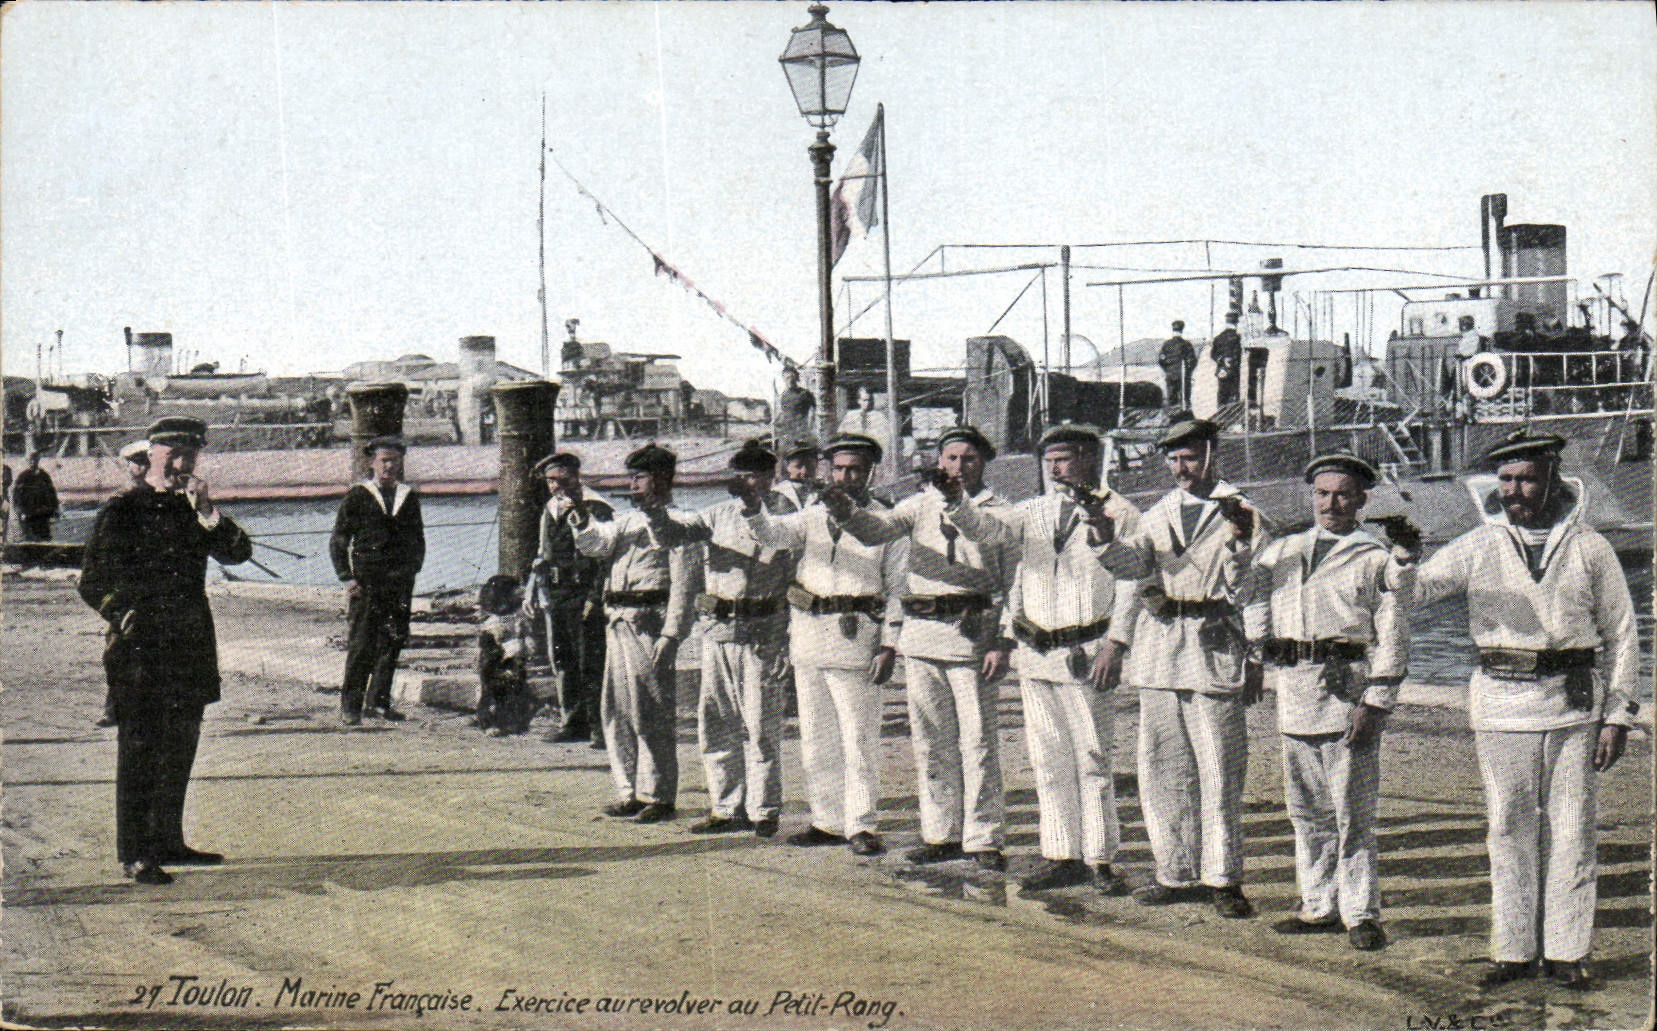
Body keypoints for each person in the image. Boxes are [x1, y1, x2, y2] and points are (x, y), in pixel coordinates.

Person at [1413, 431, 1639, 990]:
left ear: (1552, 480)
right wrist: (1398, 559)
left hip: (1571, 707)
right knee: (1507, 826)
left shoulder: (1590, 547)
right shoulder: (1479, 544)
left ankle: (1567, 951)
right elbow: (1416, 591)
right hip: (1499, 705)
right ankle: (1512, 950)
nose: (1515, 490)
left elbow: (1624, 634)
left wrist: (1618, 716)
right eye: (1507, 480)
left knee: (1572, 829)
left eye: (1527, 478)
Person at [945, 424, 1141, 895]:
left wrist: (1117, 644)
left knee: (1093, 756)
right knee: (1048, 757)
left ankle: (1099, 858)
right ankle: (1061, 853)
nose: (1054, 469)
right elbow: (989, 535)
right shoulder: (1029, 511)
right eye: (1048, 460)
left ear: (1091, 460)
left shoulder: (1121, 512)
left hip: (1087, 649)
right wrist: (955, 502)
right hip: (1037, 650)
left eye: (1064, 459)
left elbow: (1133, 583)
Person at [1244, 453, 1416, 952]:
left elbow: (1393, 634)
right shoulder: (1285, 551)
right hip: (1295, 690)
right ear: (1311, 497)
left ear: (1362, 499)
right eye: (1322, 493)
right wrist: (1258, 650)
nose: (1331, 503)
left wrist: (1377, 701)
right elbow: (1250, 594)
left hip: (1347, 693)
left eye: (1343, 494)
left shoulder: (1376, 559)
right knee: (1306, 811)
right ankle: (1317, 904)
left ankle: (1361, 912)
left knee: (1352, 813)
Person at [1098, 415, 1267, 918]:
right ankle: (1174, 871)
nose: (1180, 468)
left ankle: (1223, 877)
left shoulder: (1245, 511)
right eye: (1172, 459)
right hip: (1162, 649)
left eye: (1189, 457)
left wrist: (1257, 653)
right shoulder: (1158, 513)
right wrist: (1104, 539)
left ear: (1212, 454)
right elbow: (1133, 570)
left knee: (1219, 767)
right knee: (1161, 765)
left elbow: (1256, 588)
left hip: (1215, 646)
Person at [829, 425, 1018, 870]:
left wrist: (1003, 641)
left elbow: (1014, 581)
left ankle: (984, 837)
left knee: (978, 741)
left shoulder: (1003, 512)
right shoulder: (919, 505)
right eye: (950, 458)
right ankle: (941, 833)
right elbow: (875, 532)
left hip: (973, 633)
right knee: (932, 741)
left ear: (984, 462)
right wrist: (844, 511)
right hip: (922, 632)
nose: (957, 467)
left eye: (968, 459)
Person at [78, 417, 252, 885]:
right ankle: (135, 852)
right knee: (139, 751)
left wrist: (209, 512)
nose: (182, 465)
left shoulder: (191, 509)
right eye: (173, 455)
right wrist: (120, 611)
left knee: (181, 745)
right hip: (141, 649)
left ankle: (169, 841)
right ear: (150, 454)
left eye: (190, 457)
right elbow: (92, 580)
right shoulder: (122, 510)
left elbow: (237, 553)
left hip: (189, 646)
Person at [746, 432, 906, 855]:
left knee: (859, 736)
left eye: (855, 468)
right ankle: (827, 819)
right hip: (810, 633)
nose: (846, 476)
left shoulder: (887, 522)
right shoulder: (813, 514)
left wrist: (890, 644)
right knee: (817, 736)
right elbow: (774, 536)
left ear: (871, 472)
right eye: (838, 468)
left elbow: (897, 588)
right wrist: (751, 509)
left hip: (858, 636)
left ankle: (861, 824)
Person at [647, 440, 799, 837]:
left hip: (763, 633)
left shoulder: (788, 516)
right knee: (716, 723)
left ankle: (764, 810)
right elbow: (673, 537)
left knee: (761, 727)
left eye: (755, 474)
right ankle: (726, 806)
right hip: (718, 632)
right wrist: (654, 511)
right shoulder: (717, 513)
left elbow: (796, 582)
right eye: (741, 474)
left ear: (771, 476)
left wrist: (786, 640)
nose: (747, 481)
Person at [568, 443, 700, 824]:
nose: (632, 485)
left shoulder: (683, 521)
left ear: (661, 478)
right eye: (632, 477)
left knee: (651, 712)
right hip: (618, 622)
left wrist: (672, 635)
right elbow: (595, 544)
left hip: (650, 624)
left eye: (639, 477)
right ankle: (629, 790)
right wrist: (578, 511)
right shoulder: (627, 521)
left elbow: (686, 584)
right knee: (617, 710)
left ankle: (659, 794)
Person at [328, 436, 426, 726]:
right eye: (385, 460)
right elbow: (339, 540)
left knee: (393, 640)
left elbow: (418, 539)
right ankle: (352, 706)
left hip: (399, 583)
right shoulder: (358, 496)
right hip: (367, 582)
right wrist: (346, 577)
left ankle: (379, 702)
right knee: (362, 644)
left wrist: (412, 570)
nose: (390, 466)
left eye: (396, 460)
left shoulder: (408, 496)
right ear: (372, 462)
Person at [530, 451, 613, 747]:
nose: (556, 486)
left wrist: (596, 596)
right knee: (562, 659)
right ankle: (573, 721)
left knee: (590, 660)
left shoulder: (596, 507)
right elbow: (542, 555)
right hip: (555, 593)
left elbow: (605, 557)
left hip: (584, 593)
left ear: (576, 477)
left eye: (562, 479)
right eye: (551, 480)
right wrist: (533, 590)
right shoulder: (550, 508)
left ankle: (600, 726)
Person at [90, 438, 156, 729]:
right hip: (126, 588)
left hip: (153, 587)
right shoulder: (118, 503)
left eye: (145, 462)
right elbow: (103, 554)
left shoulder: (158, 499)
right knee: (117, 651)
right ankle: (114, 708)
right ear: (128, 466)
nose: (140, 467)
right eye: (136, 462)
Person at [475, 574, 532, 737]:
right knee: (492, 693)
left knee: (517, 691)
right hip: (496, 662)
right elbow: (487, 650)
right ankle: (489, 722)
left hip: (514, 660)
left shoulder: (519, 617)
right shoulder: (491, 623)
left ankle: (513, 721)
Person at [14, 451, 60, 541]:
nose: (32, 463)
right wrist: (19, 508)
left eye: (34, 460)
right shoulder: (23, 477)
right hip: (29, 512)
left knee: (44, 536)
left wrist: (55, 508)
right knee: (29, 536)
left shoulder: (44, 476)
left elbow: (51, 493)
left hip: (42, 513)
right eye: (30, 461)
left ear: (38, 461)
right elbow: (17, 494)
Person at [1159, 321, 1197, 414]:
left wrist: (1168, 370)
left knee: (1171, 399)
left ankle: (1172, 419)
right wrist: (1189, 373)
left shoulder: (1166, 345)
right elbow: (1193, 361)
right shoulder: (1187, 344)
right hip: (1183, 377)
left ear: (1173, 330)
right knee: (1185, 400)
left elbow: (1161, 361)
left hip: (1170, 376)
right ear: (1182, 330)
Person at [774, 438, 822, 511]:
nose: (804, 471)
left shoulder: (822, 491)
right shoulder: (778, 493)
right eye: (798, 466)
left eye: (810, 466)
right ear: (787, 466)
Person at [776, 364, 815, 447]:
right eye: (787, 378)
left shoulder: (805, 393)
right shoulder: (784, 395)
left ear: (796, 378)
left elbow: (814, 411)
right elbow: (784, 413)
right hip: (787, 432)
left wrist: (810, 427)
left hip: (802, 431)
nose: (789, 380)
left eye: (791, 377)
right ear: (783, 379)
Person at [1211, 312, 1243, 407]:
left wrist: (1220, 361)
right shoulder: (1237, 338)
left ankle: (1220, 417)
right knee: (1233, 397)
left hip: (1221, 370)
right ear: (1236, 323)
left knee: (1222, 395)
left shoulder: (1218, 338)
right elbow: (1236, 355)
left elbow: (1213, 354)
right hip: (1234, 372)